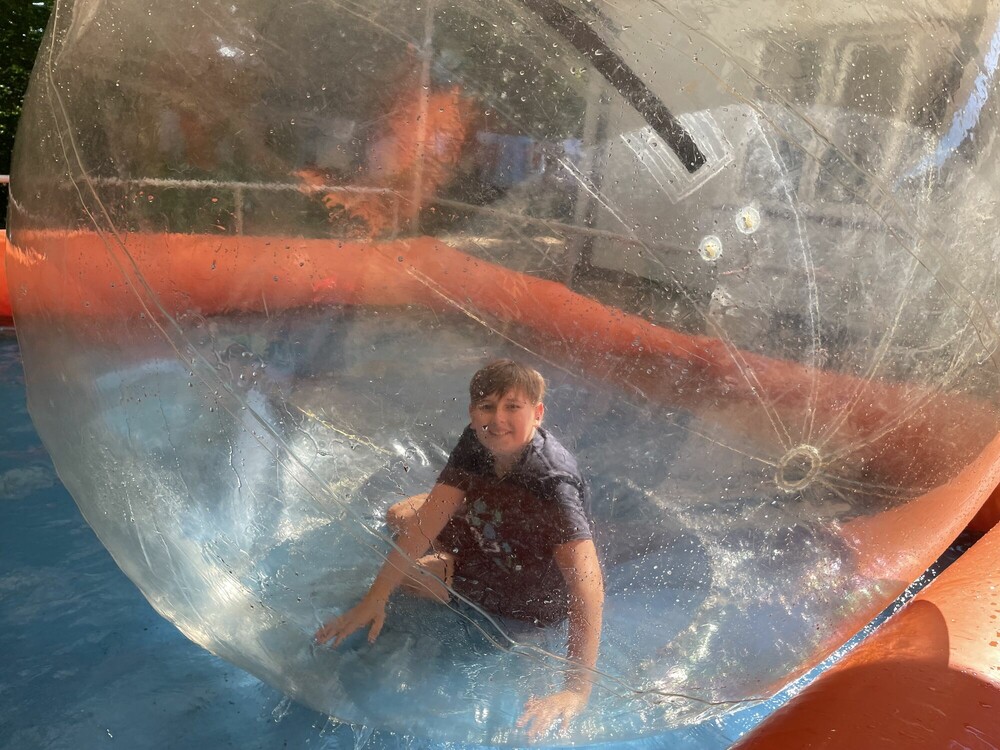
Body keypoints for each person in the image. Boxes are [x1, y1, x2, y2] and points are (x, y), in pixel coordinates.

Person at [315, 360, 604, 738]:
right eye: (487, 407)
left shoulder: (551, 481)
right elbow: (424, 523)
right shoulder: (476, 440)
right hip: (491, 527)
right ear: (472, 412)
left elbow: (587, 584)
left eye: (512, 407)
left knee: (414, 578)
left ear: (537, 414)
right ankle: (460, 510)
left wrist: (576, 689)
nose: (497, 419)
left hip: (520, 581)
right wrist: (375, 597)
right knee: (400, 516)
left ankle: (453, 552)